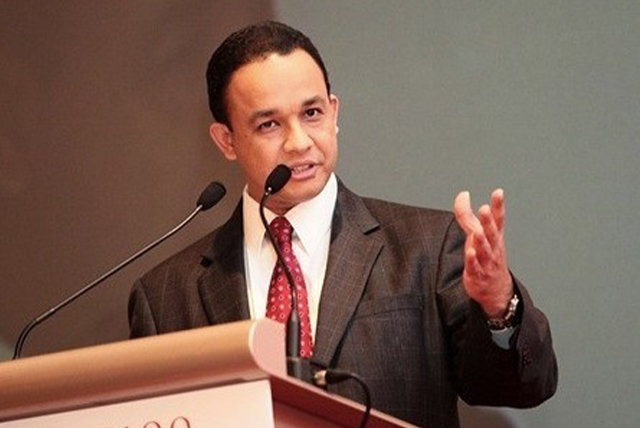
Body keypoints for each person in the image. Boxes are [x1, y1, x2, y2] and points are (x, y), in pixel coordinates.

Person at [128, 21, 557, 428]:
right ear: (226, 140)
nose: (299, 142)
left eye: (312, 113)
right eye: (269, 124)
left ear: (334, 113)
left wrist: (499, 306)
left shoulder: (427, 247)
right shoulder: (166, 296)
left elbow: (521, 387)